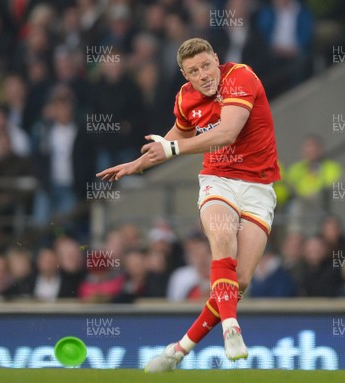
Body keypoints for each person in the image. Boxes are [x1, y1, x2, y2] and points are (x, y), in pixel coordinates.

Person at [97, 38, 280, 370]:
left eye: (207, 66)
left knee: (238, 283)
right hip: (218, 180)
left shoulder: (241, 77)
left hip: (258, 187)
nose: (203, 75)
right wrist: (137, 165)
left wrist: (172, 150)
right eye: (193, 71)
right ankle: (231, 327)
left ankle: (178, 351)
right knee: (222, 240)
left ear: (217, 60)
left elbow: (227, 132)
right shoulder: (185, 98)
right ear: (185, 74)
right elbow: (173, 139)